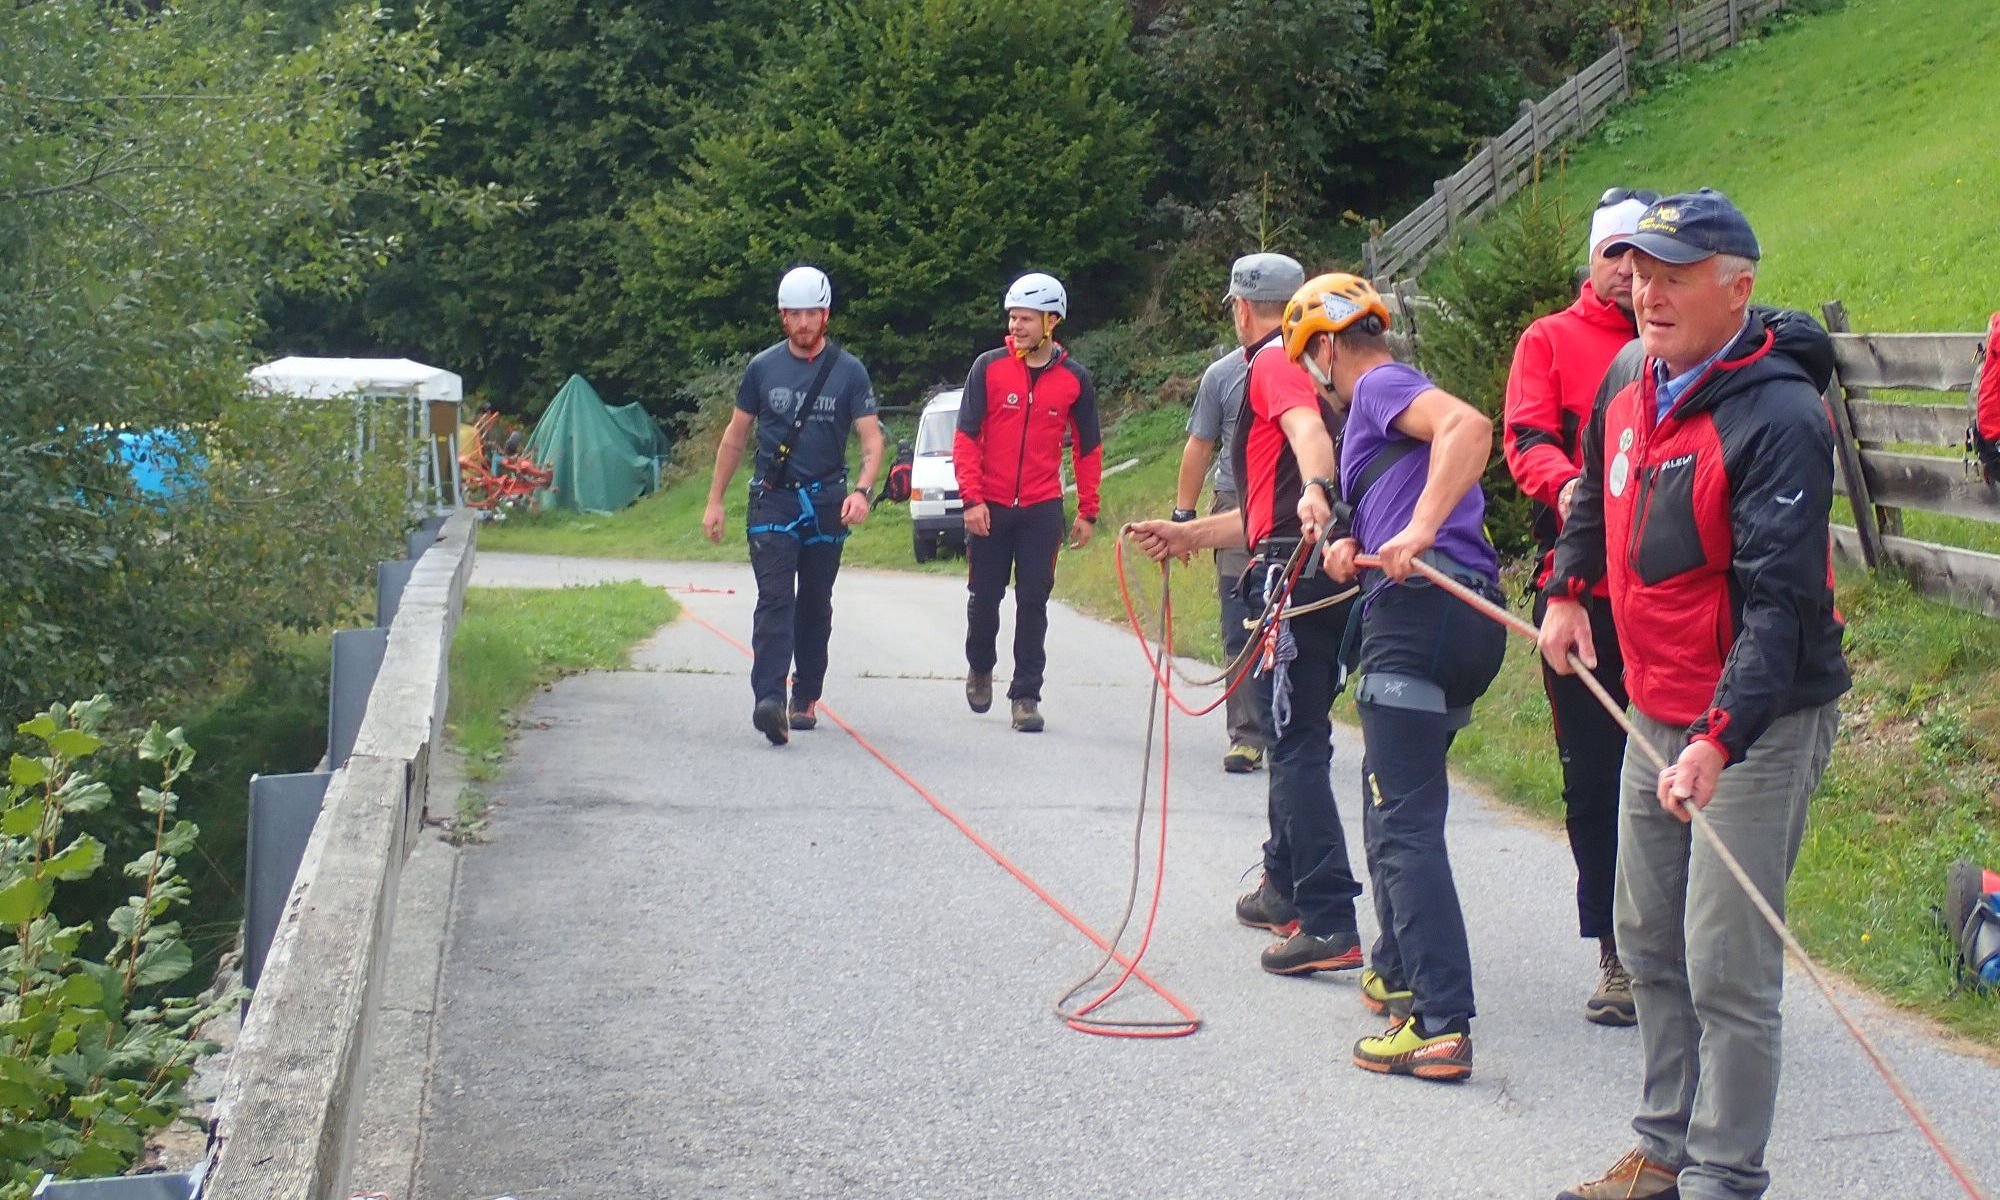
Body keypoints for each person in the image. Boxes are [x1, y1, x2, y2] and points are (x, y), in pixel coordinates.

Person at [1543, 190, 1848, 1200]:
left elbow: (1783, 609)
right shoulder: (1629, 378)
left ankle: (1724, 1173)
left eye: (1673, 277)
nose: (1646, 293)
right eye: (1639, 273)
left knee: (1724, 958)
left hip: (1757, 721)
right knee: (1644, 937)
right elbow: (1593, 494)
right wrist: (1565, 589)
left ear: (1737, 289)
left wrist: (1717, 739)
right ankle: (1660, 1152)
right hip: (1652, 707)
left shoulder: (1782, 417)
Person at [1276, 273, 1506, 1082]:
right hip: (1465, 619)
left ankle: (1439, 1022)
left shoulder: (1378, 386)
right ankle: (1396, 969)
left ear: (1327, 348)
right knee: (1390, 802)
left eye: (1311, 361)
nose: (1317, 380)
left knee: (1403, 820)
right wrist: (1356, 544)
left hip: (1420, 616)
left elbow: (1470, 427)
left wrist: (1417, 530)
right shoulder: (1379, 413)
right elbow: (1401, 493)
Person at [1127, 259, 1365, 979]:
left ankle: (1326, 916)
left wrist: (1318, 484)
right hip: (1308, 563)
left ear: (1241, 310)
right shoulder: (1321, 373)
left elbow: (1306, 442)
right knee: (1293, 731)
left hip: (1296, 578)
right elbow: (1267, 514)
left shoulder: (1272, 364)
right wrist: (1188, 534)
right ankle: (1282, 883)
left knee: (1294, 743)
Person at [1502, 187, 1652, 1026]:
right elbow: (1526, 438)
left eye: (1643, 255)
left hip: (1672, 598)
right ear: (1592, 261)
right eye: (1614, 254)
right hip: (1582, 592)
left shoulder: (1679, 341)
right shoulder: (1550, 339)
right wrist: (1574, 494)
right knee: (1594, 778)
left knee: (1674, 769)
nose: (1629, 270)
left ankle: (1680, 945)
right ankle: (1617, 952)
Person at [703, 266, 884, 746]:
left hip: (827, 502)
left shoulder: (849, 371)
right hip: (773, 500)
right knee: (775, 599)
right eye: (795, 314)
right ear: (782, 317)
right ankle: (769, 699)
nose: (804, 322)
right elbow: (735, 437)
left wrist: (862, 490)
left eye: (812, 313)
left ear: (826, 315)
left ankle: (805, 694)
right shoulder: (762, 368)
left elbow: (871, 439)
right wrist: (715, 500)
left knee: (815, 603)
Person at [954, 272, 1103, 732]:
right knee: (984, 599)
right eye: (1012, 318)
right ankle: (981, 665)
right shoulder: (988, 367)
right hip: (991, 505)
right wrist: (971, 499)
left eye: (1025, 319)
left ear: (1051, 322)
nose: (1015, 327)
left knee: (1034, 602)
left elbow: (1088, 448)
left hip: (1041, 508)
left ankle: (1025, 696)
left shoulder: (1075, 380)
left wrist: (1088, 510)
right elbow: (966, 437)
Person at [1172, 255, 1300, 774]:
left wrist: (1183, 522)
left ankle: (1291, 722)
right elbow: (1200, 446)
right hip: (1240, 506)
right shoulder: (1223, 375)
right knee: (1241, 619)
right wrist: (1185, 517)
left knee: (1291, 618)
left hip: (1287, 510)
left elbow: (1197, 449)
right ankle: (1247, 734)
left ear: (1242, 309)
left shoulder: (1306, 369)